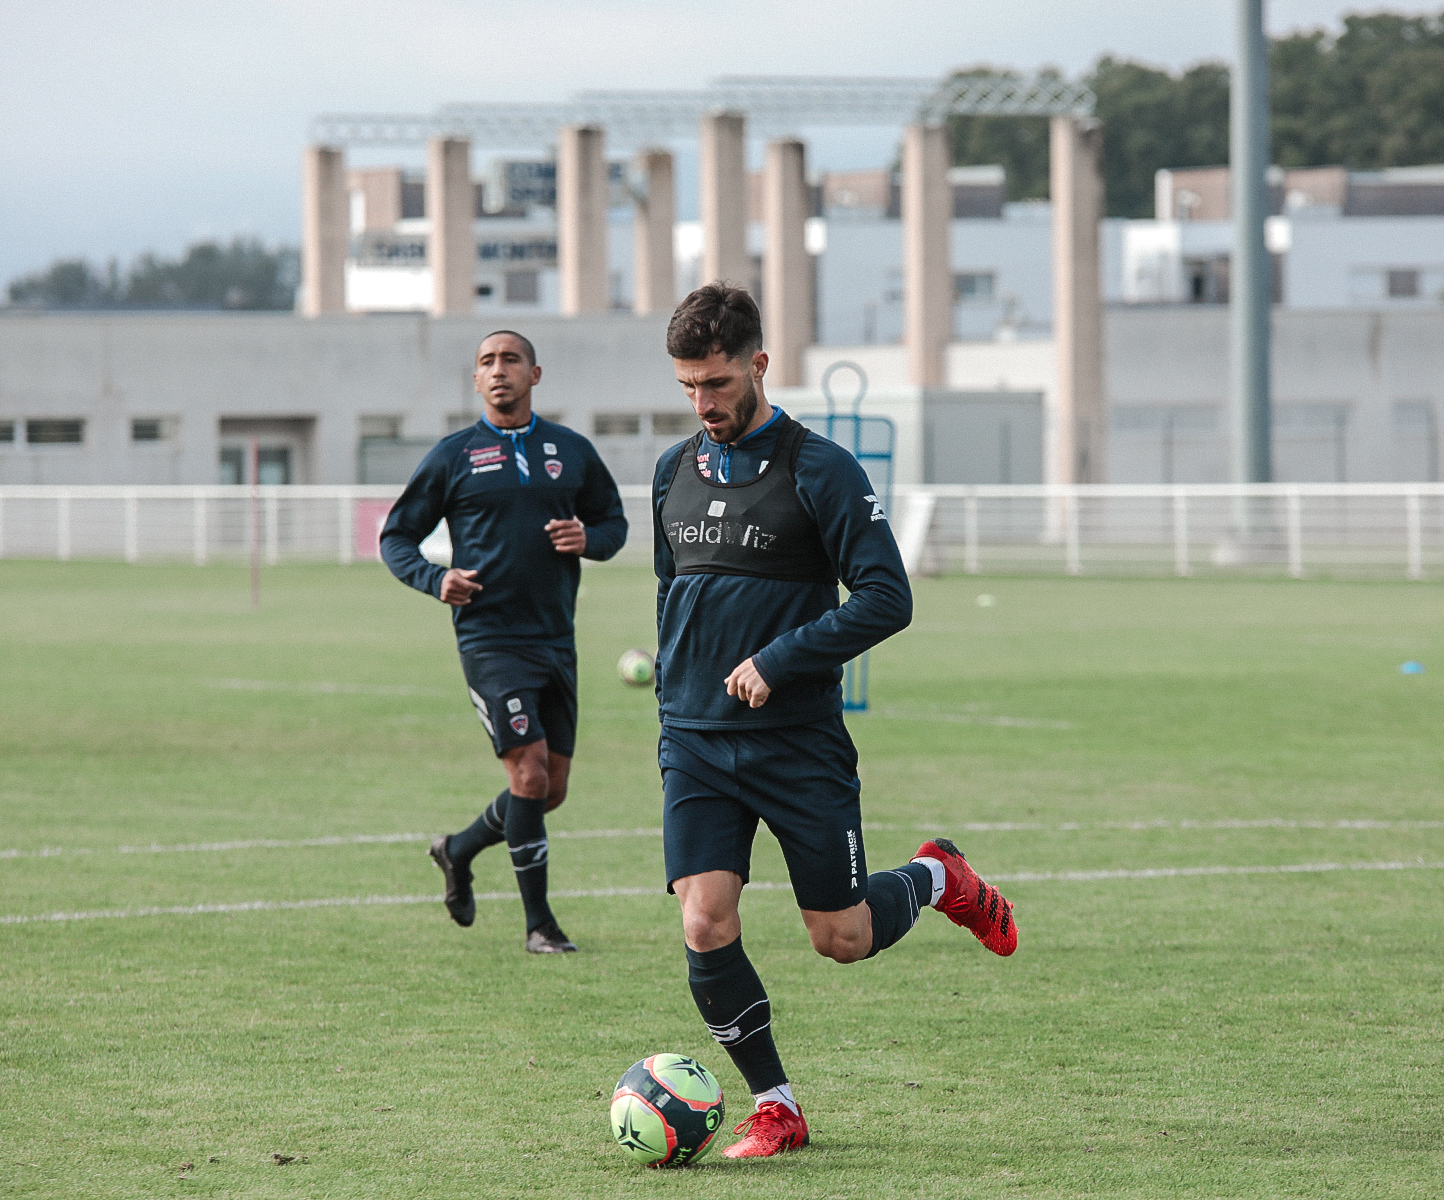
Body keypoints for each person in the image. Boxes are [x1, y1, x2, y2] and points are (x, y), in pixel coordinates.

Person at [652, 284, 1019, 1157]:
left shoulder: (822, 470)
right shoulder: (670, 471)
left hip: (798, 743)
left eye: (718, 383)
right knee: (704, 921)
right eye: (689, 386)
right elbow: (674, 593)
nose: (704, 404)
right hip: (695, 743)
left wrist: (777, 660)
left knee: (842, 938)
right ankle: (775, 1106)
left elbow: (889, 599)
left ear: (760, 366)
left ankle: (937, 878)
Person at [380, 330, 627, 954]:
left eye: (510, 360)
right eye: (486, 362)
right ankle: (539, 925)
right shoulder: (453, 455)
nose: (498, 371)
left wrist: (588, 539)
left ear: (535, 374)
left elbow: (614, 523)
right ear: (475, 380)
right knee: (529, 771)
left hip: (556, 640)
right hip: (490, 640)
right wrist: (437, 579)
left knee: (552, 789)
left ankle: (457, 850)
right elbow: (396, 537)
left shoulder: (570, 451)